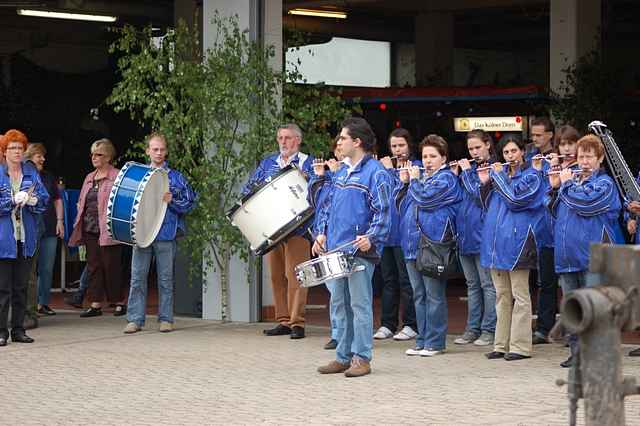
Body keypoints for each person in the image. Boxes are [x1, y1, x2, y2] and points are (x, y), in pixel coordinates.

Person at [314, 117, 391, 377]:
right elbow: (327, 206)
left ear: (357, 142)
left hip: (359, 251)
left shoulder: (377, 173)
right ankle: (343, 356)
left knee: (359, 305)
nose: (338, 142)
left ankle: (362, 358)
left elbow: (384, 213)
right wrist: (321, 234)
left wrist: (372, 236)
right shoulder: (340, 172)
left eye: (343, 138)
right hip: (336, 250)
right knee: (339, 304)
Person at [547, 134, 624, 367]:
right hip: (567, 255)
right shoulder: (571, 182)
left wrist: (567, 184)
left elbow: (587, 205)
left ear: (600, 159)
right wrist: (554, 189)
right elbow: (552, 212)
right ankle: (577, 352)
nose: (584, 161)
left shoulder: (605, 184)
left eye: (590, 157)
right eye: (581, 156)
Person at [242, 124, 313, 339]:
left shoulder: (307, 163)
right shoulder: (268, 163)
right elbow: (249, 188)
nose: (283, 142)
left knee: (296, 276)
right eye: (280, 138)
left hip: (298, 228)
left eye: (288, 138)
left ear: (298, 140)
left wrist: (306, 178)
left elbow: (319, 190)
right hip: (272, 228)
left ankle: (297, 322)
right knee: (276, 276)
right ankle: (283, 320)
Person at [481, 134, 547, 361]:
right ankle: (501, 344)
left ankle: (520, 346)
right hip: (495, 244)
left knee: (521, 295)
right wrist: (485, 182)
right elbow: (483, 204)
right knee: (501, 295)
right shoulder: (499, 176)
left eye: (514, 151)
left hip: (519, 243)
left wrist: (498, 177)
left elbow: (516, 201)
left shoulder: (532, 177)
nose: (510, 156)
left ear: (522, 152)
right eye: (506, 153)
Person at [123, 133, 196, 333]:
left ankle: (166, 319)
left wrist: (173, 200)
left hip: (166, 233)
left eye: (162, 149)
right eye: (155, 149)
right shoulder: (138, 176)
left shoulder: (176, 177)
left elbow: (191, 203)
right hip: (142, 233)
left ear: (166, 151)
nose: (159, 153)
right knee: (137, 277)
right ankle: (135, 320)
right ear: (147, 151)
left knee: (165, 279)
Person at [396, 134, 461, 357]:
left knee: (434, 295)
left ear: (443, 158)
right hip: (412, 244)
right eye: (424, 156)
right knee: (419, 295)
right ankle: (422, 340)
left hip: (433, 244)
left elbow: (426, 200)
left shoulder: (447, 179)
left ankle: (435, 342)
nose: (427, 161)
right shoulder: (420, 179)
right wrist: (405, 184)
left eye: (433, 156)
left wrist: (413, 181)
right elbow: (399, 205)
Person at [0, 129, 49, 346]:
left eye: (20, 148)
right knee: (3, 289)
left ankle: (18, 329)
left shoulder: (31, 172)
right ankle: (2, 331)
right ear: (4, 152)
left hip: (25, 239)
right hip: (3, 241)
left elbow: (44, 198)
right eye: (12, 148)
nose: (17, 152)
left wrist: (34, 201)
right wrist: (11, 201)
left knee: (21, 287)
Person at [69, 139, 126, 318]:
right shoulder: (89, 177)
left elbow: (122, 201)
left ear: (108, 157)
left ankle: (118, 302)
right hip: (89, 228)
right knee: (94, 266)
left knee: (112, 266)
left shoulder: (117, 176)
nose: (94, 157)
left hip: (109, 228)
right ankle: (95, 304)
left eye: (99, 154)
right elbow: (82, 200)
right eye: (93, 154)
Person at [452, 129, 496, 346]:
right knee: (472, 285)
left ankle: (489, 330)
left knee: (488, 285)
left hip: (483, 236)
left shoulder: (494, 168)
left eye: (478, 147)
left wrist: (467, 173)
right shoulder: (468, 172)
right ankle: (472, 329)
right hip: (465, 235)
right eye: (471, 149)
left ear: (488, 144)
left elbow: (479, 197)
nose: (474, 152)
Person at [374, 128, 418, 341]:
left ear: (409, 146)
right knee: (388, 280)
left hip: (405, 234)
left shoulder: (415, 167)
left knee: (406, 280)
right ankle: (388, 323)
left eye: (401, 145)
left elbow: (403, 191)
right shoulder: (384, 169)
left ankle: (411, 324)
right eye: (394, 146)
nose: (398, 150)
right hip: (387, 234)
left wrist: (391, 171)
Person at [527, 117, 559, 346]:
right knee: (541, 282)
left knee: (563, 283)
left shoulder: (559, 159)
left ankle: (564, 329)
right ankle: (543, 327)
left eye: (539, 134)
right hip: (537, 230)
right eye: (533, 134)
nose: (534, 138)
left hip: (559, 231)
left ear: (550, 134)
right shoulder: (530, 159)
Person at [309, 139, 344, 350]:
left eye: (343, 148)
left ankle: (351, 333)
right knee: (334, 290)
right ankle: (337, 333)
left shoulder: (349, 174)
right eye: (337, 150)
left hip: (344, 238)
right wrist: (319, 176)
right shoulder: (328, 177)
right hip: (324, 237)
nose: (339, 153)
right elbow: (314, 203)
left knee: (347, 293)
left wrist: (337, 173)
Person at [24, 143, 65, 316]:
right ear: (30, 157)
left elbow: (57, 199)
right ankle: (30, 307)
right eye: (39, 155)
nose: (43, 159)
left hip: (49, 227)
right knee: (30, 270)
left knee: (46, 268)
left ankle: (43, 303)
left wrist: (60, 221)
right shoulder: (24, 175)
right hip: (30, 228)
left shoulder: (48, 176)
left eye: (43, 155)